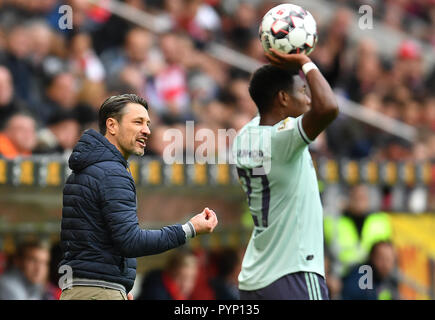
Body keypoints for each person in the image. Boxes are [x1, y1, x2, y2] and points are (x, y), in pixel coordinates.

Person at [59, 94, 218, 300]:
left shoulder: (88, 168)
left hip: (82, 290)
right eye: (138, 122)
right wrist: (189, 229)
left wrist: (118, 285)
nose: (147, 130)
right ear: (112, 125)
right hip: (98, 292)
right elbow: (130, 241)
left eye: (148, 123)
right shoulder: (112, 172)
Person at [232, 48, 339, 300]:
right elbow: (329, 108)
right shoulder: (282, 141)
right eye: (303, 92)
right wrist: (305, 62)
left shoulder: (245, 136)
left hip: (255, 280)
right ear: (282, 98)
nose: (309, 99)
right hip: (294, 273)